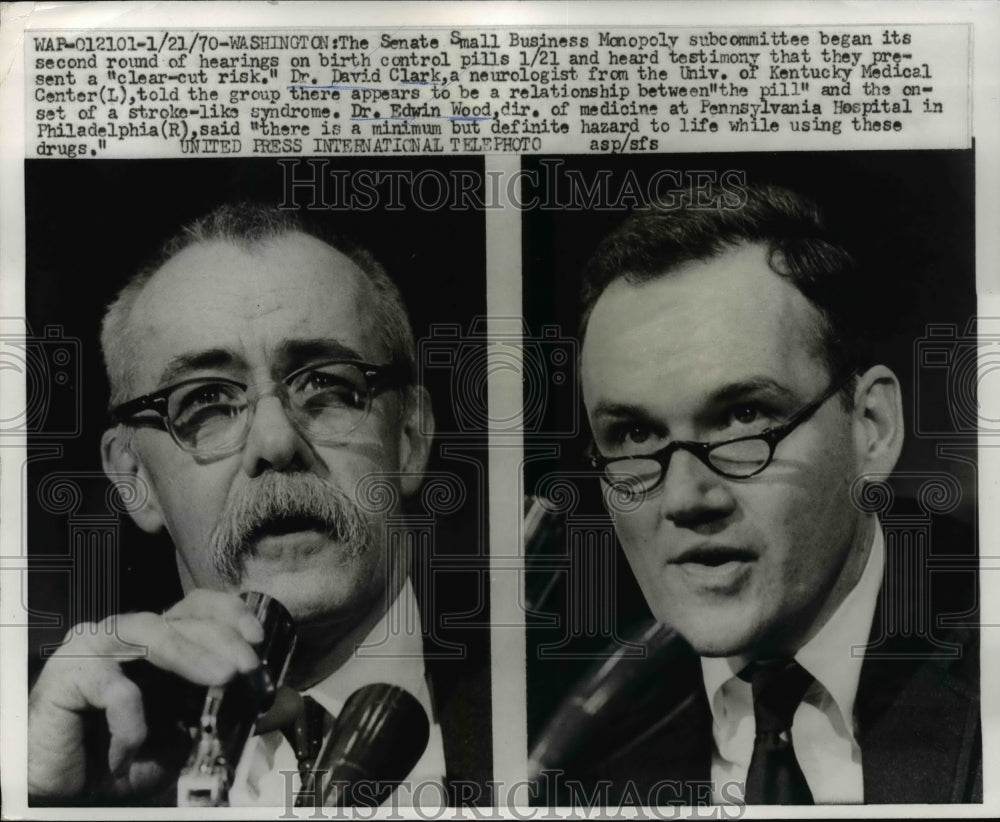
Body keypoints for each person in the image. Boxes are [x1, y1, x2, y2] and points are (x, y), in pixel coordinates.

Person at [27, 203, 490, 806]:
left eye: (327, 385)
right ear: (133, 475)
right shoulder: (60, 760)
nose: (276, 444)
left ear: (410, 437)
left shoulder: (564, 710)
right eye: (207, 401)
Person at [558, 183, 980, 805]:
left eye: (743, 416)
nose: (685, 497)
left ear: (872, 428)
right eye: (635, 434)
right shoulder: (568, 749)